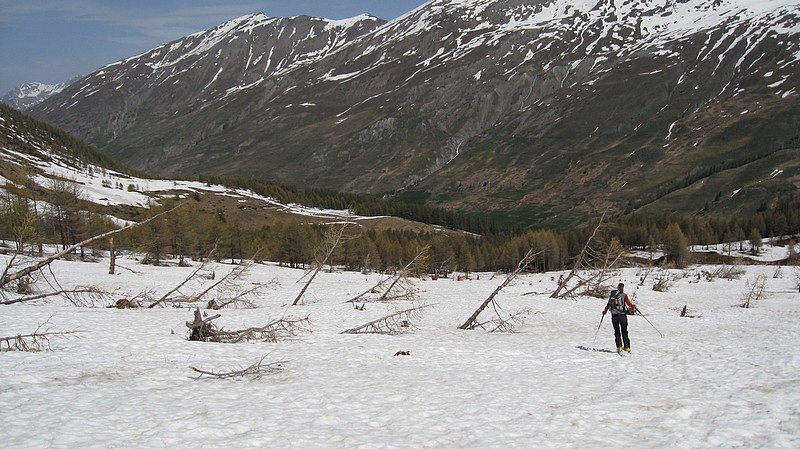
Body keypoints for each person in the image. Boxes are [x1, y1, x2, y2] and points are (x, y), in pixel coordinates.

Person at [603, 283, 635, 353]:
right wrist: (633, 307)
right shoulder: (624, 295)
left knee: (617, 331)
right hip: (622, 315)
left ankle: (619, 347)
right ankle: (627, 347)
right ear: (623, 288)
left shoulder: (612, 296)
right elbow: (629, 304)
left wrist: (604, 312)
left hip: (614, 316)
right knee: (624, 331)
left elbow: (608, 305)